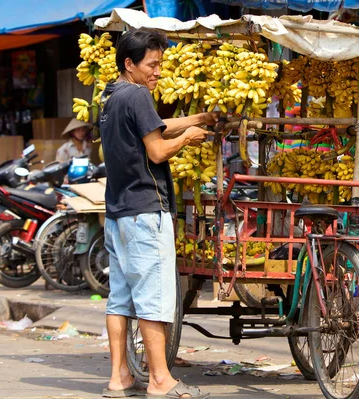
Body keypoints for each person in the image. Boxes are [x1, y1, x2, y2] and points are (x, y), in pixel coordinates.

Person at [99, 28, 215, 399]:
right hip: (146, 211)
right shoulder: (138, 94)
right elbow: (158, 151)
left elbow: (152, 127)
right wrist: (187, 138)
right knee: (153, 299)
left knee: (119, 299)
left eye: (160, 64)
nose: (158, 71)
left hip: (117, 212)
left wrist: (200, 117)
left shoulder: (112, 96)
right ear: (129, 63)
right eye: (152, 64)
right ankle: (161, 380)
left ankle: (119, 378)